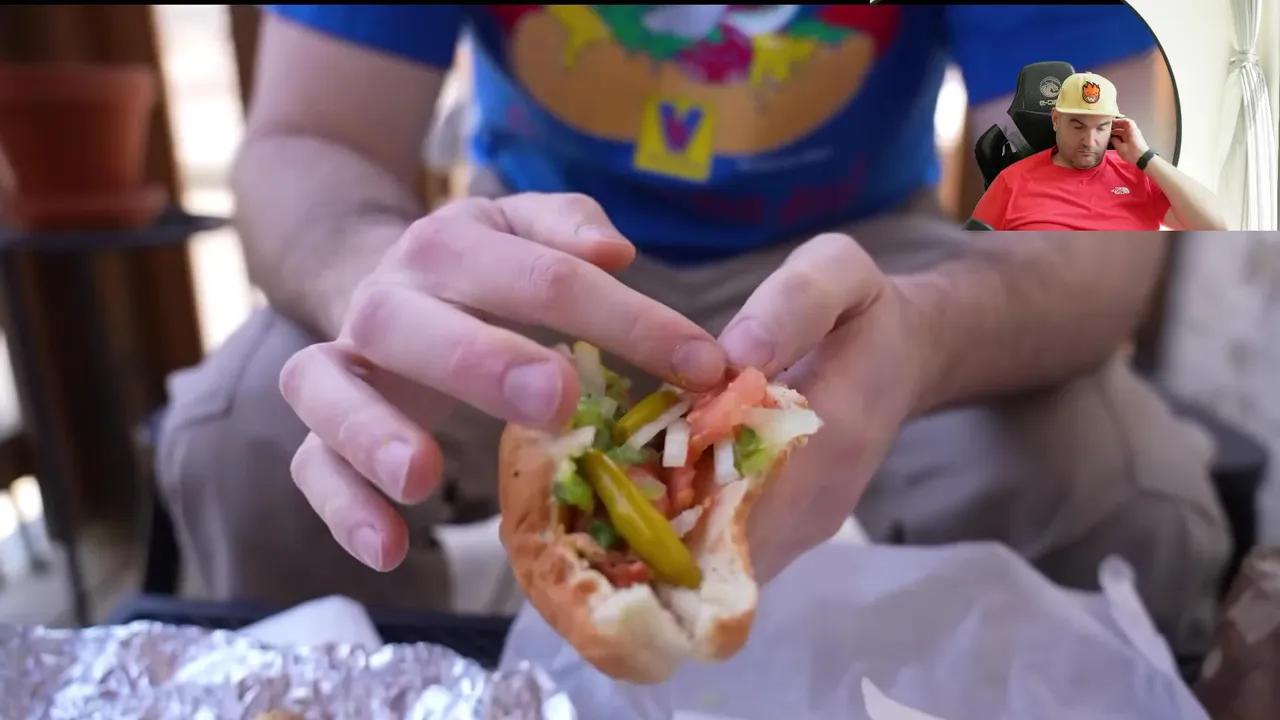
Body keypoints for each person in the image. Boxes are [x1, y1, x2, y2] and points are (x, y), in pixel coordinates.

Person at [156, 4, 1230, 657]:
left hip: (862, 255)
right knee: (245, 442)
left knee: (1127, 497)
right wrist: (375, 280)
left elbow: (1088, 215)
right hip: (533, 238)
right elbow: (310, 138)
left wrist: (921, 334)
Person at [971, 72, 1228, 231]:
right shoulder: (1012, 181)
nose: (1090, 141)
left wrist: (1146, 157)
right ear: (1056, 119)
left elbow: (1214, 227)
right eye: (1078, 126)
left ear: (1115, 126)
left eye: (1101, 127)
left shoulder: (1138, 175)